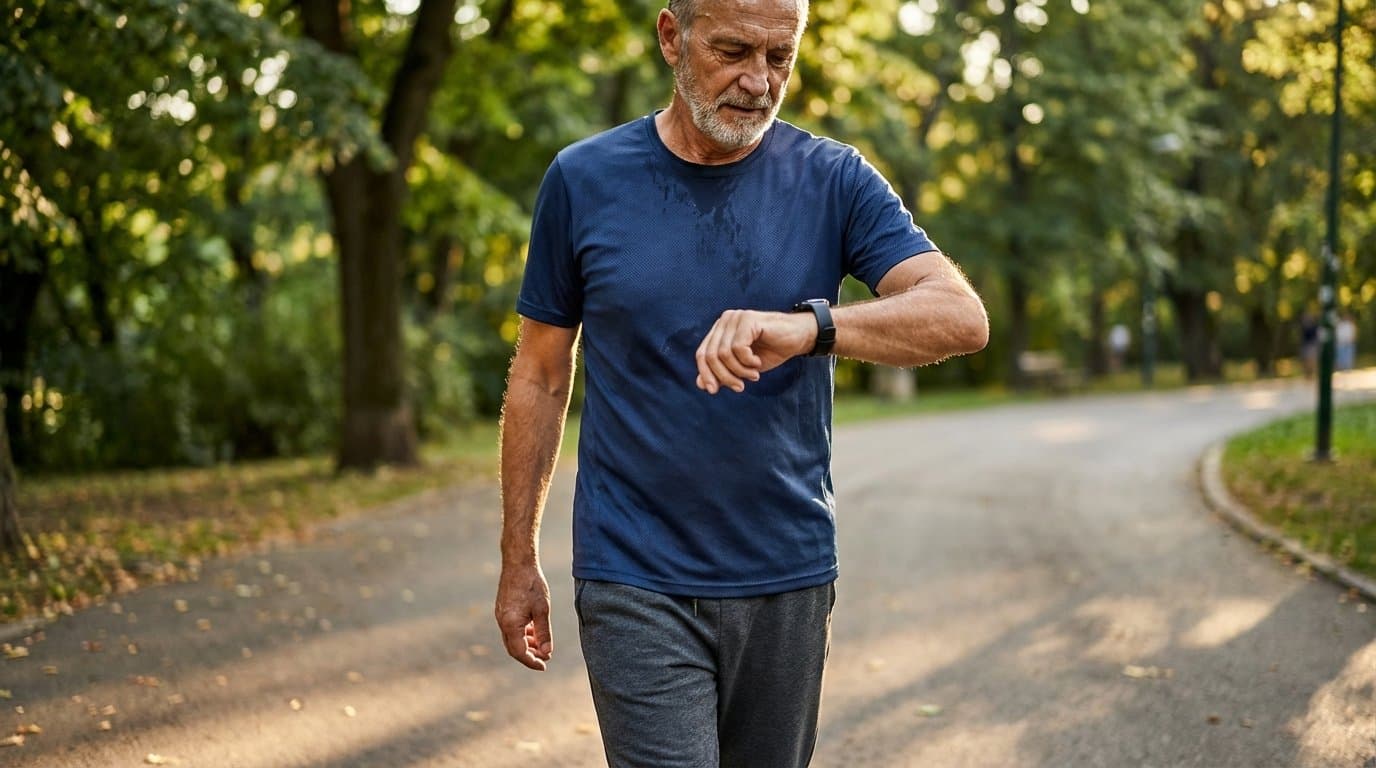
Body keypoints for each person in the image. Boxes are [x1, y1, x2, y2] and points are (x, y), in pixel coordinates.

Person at [493, 1, 989, 765]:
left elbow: (960, 317)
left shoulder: (833, 178)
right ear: (671, 37)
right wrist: (518, 557)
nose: (758, 81)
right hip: (634, 572)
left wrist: (812, 327)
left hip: (786, 570)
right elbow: (539, 372)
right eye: (733, 51)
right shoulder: (583, 180)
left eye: (780, 57)